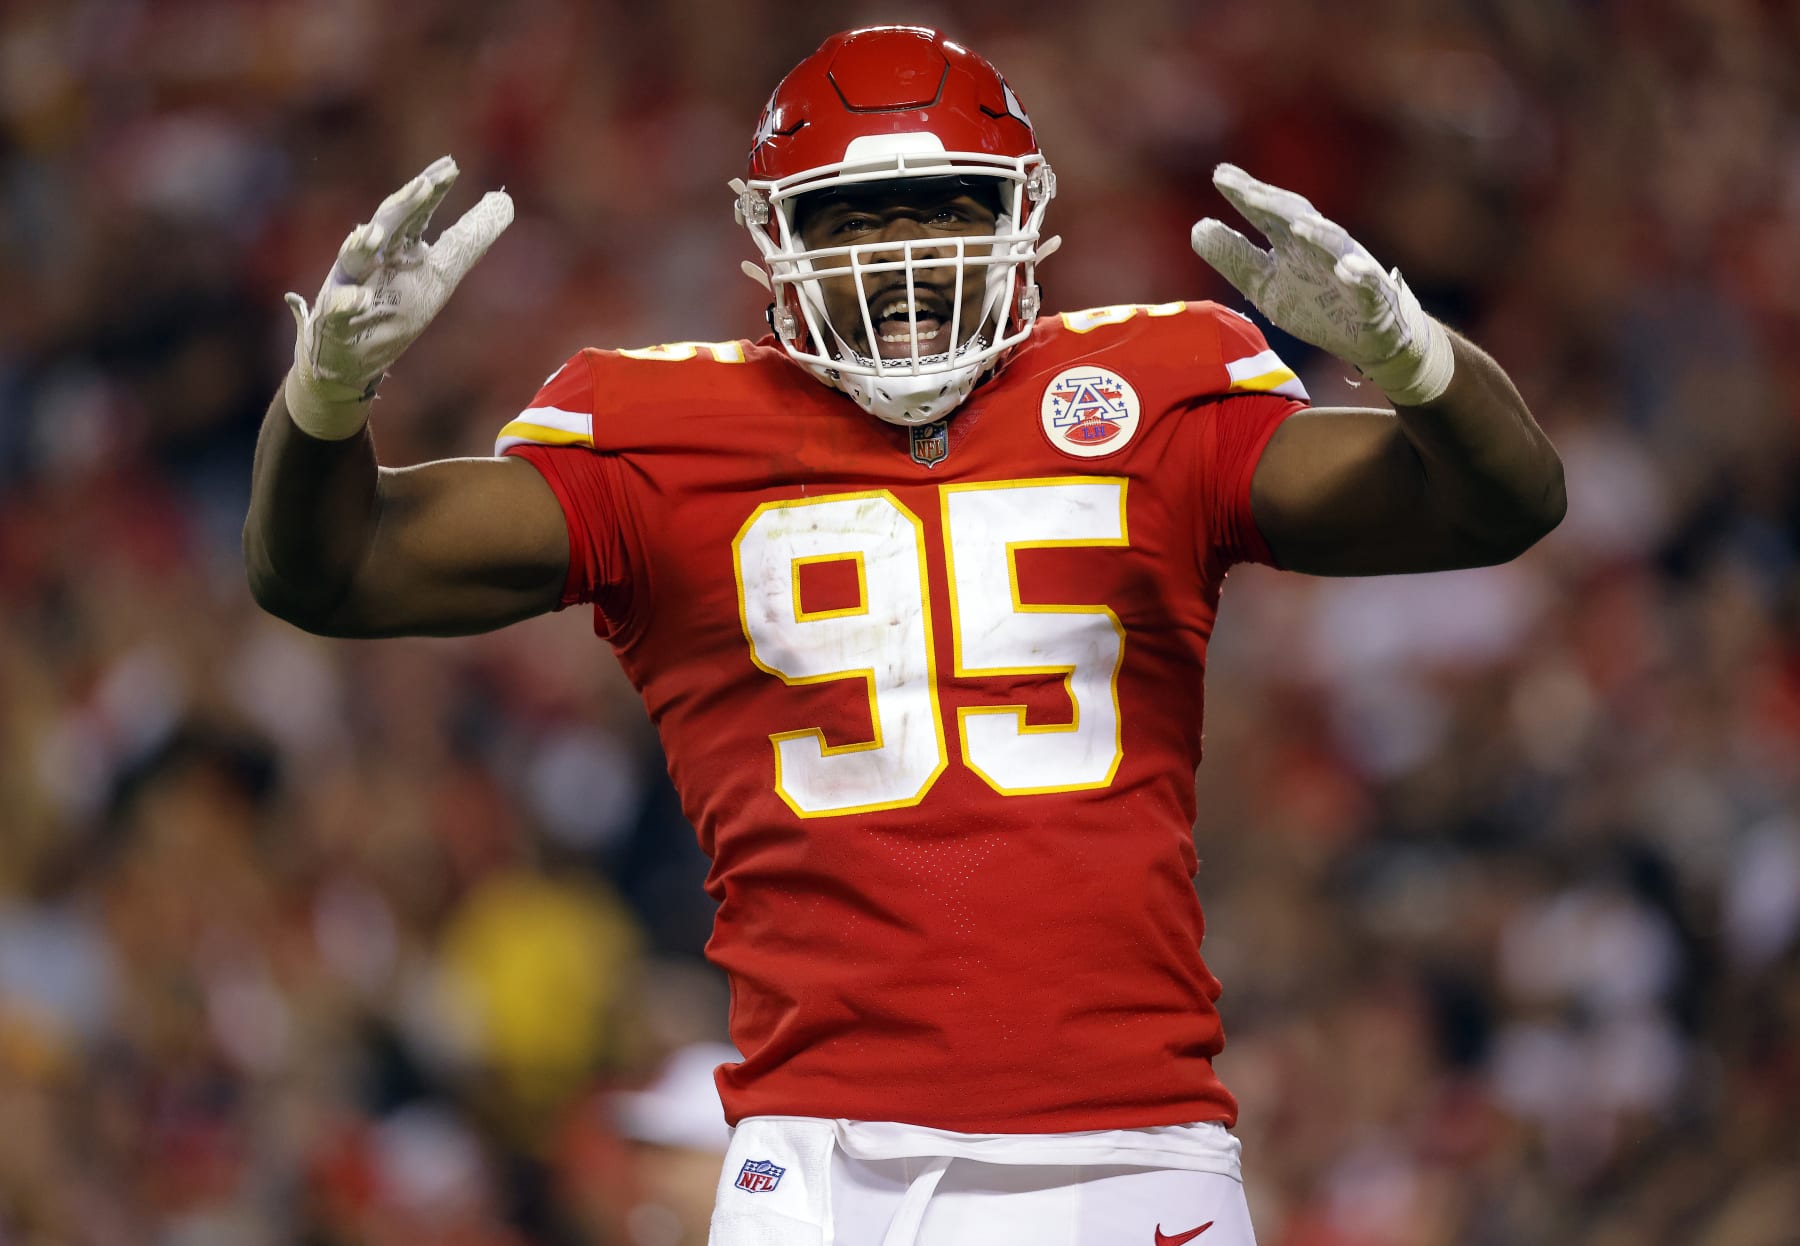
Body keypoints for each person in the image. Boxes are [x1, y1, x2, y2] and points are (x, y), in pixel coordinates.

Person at [245, 24, 1564, 1246]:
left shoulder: (1154, 388)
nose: (902, 252)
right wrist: (327, 397)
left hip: (1133, 1136)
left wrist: (1415, 356)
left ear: (1019, 216)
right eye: (853, 217)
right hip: (825, 1155)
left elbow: (1504, 501)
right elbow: (333, 572)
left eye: (943, 207)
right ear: (776, 241)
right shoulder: (657, 432)